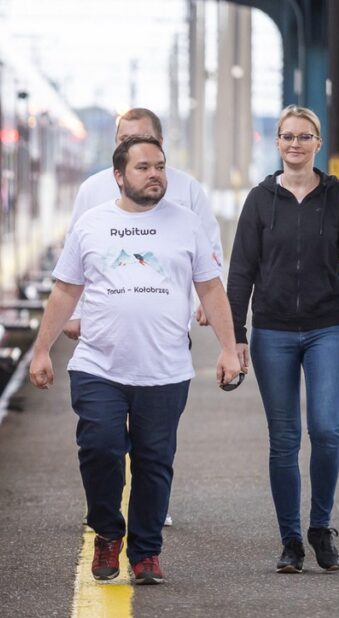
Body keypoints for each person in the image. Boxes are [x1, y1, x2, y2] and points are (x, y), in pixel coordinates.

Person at [29, 135, 242, 585]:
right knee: (100, 448)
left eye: (160, 166)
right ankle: (108, 530)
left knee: (154, 461)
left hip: (165, 369)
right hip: (98, 365)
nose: (155, 175)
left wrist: (228, 347)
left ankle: (146, 553)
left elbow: (210, 289)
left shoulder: (186, 224)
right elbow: (66, 289)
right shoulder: (92, 223)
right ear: (119, 176)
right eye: (144, 167)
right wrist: (42, 350)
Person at [226, 105, 339, 574]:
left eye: (304, 136)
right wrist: (236, 337)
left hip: (326, 328)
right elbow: (241, 272)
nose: (295, 144)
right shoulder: (259, 199)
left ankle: (321, 527)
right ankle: (291, 540)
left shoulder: (337, 196)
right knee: (284, 438)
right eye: (287, 136)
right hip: (272, 330)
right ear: (277, 143)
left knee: (326, 429)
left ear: (318, 142)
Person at [65, 107, 223, 528]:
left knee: (154, 444)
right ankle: (108, 516)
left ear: (160, 144)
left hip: (165, 334)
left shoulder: (186, 192)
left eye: (142, 140)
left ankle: (149, 516)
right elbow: (72, 263)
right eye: (124, 140)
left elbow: (209, 256)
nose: (131, 145)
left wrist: (204, 310)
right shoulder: (91, 192)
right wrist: (74, 315)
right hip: (102, 340)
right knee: (103, 440)